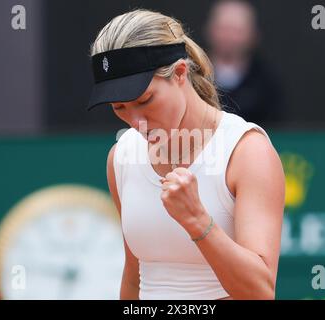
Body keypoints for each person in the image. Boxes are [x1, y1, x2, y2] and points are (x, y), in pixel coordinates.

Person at [87, 9, 285, 300]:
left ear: (180, 73)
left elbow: (259, 292)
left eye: (145, 100)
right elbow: (134, 278)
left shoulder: (247, 152)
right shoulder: (121, 157)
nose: (135, 121)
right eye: (119, 108)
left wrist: (196, 219)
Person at [205, 0, 284, 127]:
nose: (229, 36)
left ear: (253, 35)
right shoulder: (192, 76)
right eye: (223, 29)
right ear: (210, 30)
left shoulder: (267, 82)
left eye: (237, 31)